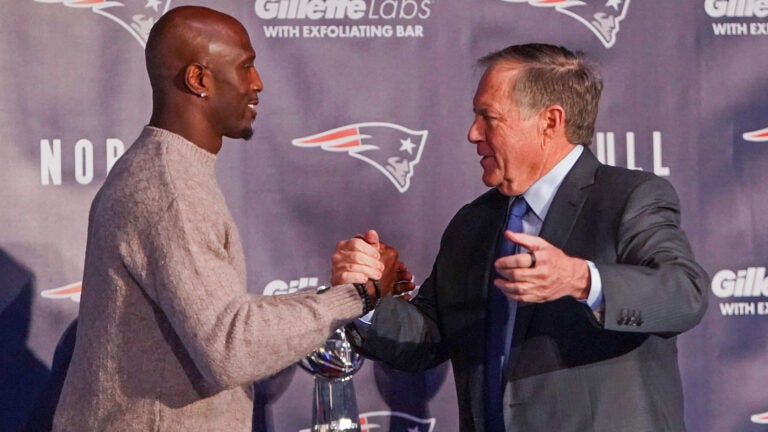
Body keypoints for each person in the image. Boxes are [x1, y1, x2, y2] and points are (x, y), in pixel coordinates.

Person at [52, 6, 399, 431]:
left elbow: (222, 319)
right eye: (245, 66)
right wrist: (359, 296)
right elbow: (229, 348)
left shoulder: (170, 171)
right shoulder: (170, 189)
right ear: (199, 80)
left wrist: (340, 295)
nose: (258, 83)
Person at [332, 43, 709, 432]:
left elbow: (685, 293)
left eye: (488, 117)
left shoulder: (628, 198)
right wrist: (368, 298)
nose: (473, 133)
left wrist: (580, 279)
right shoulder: (473, 223)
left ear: (550, 122)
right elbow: (428, 338)